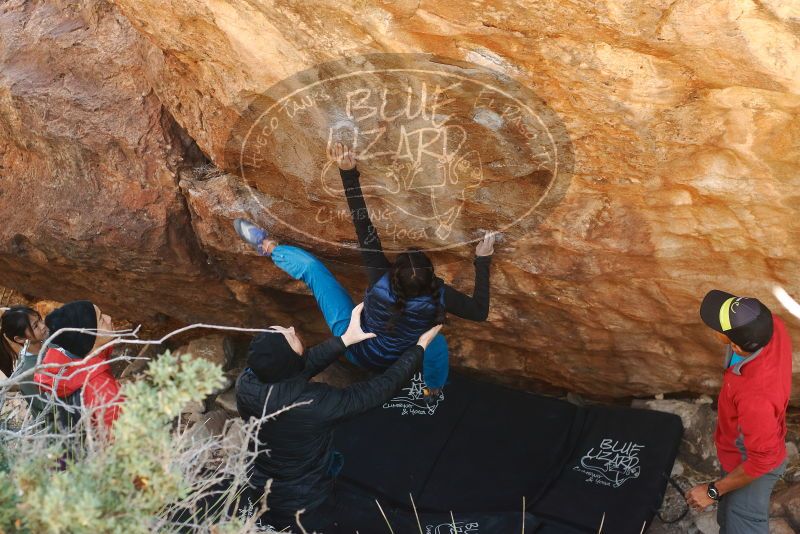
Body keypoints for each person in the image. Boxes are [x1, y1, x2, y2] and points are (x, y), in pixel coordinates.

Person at [233, 143, 494, 399]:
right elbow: (480, 311)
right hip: (393, 361)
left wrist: (348, 172)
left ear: (395, 270)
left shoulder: (380, 275)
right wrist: (483, 261)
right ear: (432, 278)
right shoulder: (440, 295)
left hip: (351, 341)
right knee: (435, 341)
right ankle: (432, 387)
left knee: (313, 271)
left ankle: (268, 247)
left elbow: (363, 224)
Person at [235, 302, 441, 531]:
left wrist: (345, 339)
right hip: (304, 497)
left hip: (261, 479)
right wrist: (419, 348)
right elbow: (375, 392)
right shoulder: (312, 404)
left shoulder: (248, 381)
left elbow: (295, 369)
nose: (291, 329)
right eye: (288, 336)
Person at [686, 290, 792, 533]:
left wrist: (713, 490)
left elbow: (762, 459)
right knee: (728, 516)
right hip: (746, 444)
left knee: (741, 525)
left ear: (734, 345)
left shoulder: (756, 398)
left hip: (752, 461)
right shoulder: (772, 326)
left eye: (719, 327)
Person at [34, 300, 122, 430]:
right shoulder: (104, 390)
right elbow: (125, 439)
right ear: (89, 337)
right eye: (101, 319)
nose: (108, 318)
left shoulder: (67, 362)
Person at [1, 306, 50, 413]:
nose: (43, 326)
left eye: (40, 320)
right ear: (20, 339)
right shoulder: (28, 370)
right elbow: (46, 406)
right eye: (35, 326)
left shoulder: (50, 343)